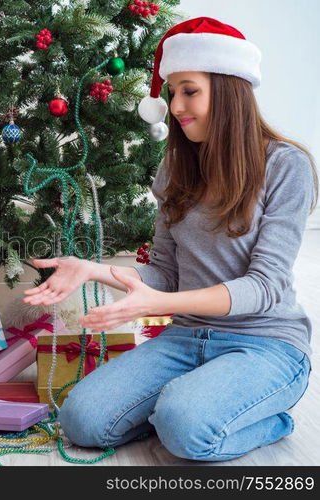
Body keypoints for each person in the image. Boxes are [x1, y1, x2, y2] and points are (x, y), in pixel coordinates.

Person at [23, 17, 317, 461]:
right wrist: (92, 270)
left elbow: (265, 287)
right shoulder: (175, 168)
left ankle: (265, 416)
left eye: (189, 90)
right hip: (187, 339)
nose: (176, 105)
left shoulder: (285, 166)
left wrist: (157, 305)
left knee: (185, 427)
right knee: (81, 419)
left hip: (265, 343)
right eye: (172, 92)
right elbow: (163, 271)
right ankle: (190, 405)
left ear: (229, 88)